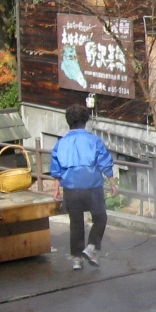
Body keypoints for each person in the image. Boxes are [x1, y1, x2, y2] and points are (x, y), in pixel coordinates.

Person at [50, 103, 117, 270]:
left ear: (68, 121)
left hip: (71, 189)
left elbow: (56, 168)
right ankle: (91, 247)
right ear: (85, 121)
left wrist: (56, 188)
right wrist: (112, 183)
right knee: (100, 217)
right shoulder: (94, 141)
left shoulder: (61, 143)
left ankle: (76, 259)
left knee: (76, 223)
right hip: (92, 187)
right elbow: (104, 162)